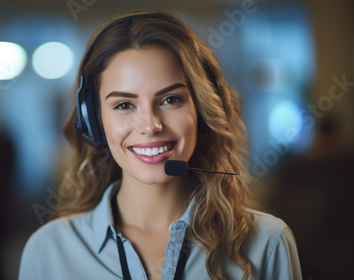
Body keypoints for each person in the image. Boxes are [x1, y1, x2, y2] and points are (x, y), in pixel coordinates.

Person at [19, 11, 301, 280]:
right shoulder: (48, 250)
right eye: (124, 105)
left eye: (170, 100)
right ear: (93, 121)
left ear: (201, 111)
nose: (150, 125)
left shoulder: (266, 243)